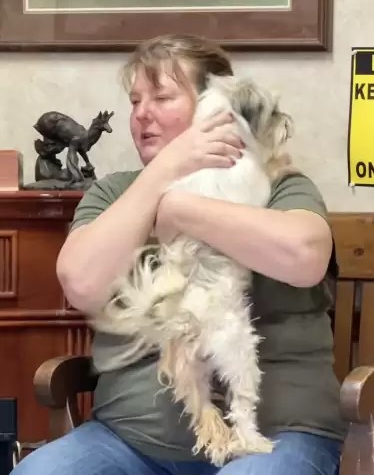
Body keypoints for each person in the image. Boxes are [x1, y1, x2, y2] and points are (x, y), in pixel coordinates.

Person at [12, 34, 347, 475]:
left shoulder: (276, 182)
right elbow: (81, 283)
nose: (141, 114)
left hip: (274, 438)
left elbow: (304, 257)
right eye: (134, 101)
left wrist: (179, 208)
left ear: (216, 105)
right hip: (129, 442)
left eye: (162, 97)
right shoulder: (114, 192)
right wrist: (164, 174)